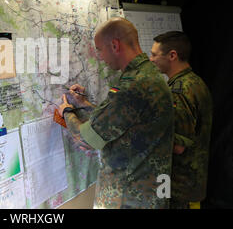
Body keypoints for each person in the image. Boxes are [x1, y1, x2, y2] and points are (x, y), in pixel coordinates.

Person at [58, 17, 174, 209]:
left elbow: (86, 140)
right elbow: (123, 120)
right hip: (152, 193)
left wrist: (66, 112)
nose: (100, 57)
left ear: (114, 45)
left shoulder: (131, 87)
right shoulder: (150, 76)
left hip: (131, 198)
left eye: (100, 50)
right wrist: (84, 104)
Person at [150, 31, 213, 209]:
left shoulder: (178, 93)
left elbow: (178, 146)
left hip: (179, 189)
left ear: (172, 55)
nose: (151, 59)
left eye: (155, 54)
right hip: (192, 184)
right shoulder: (195, 82)